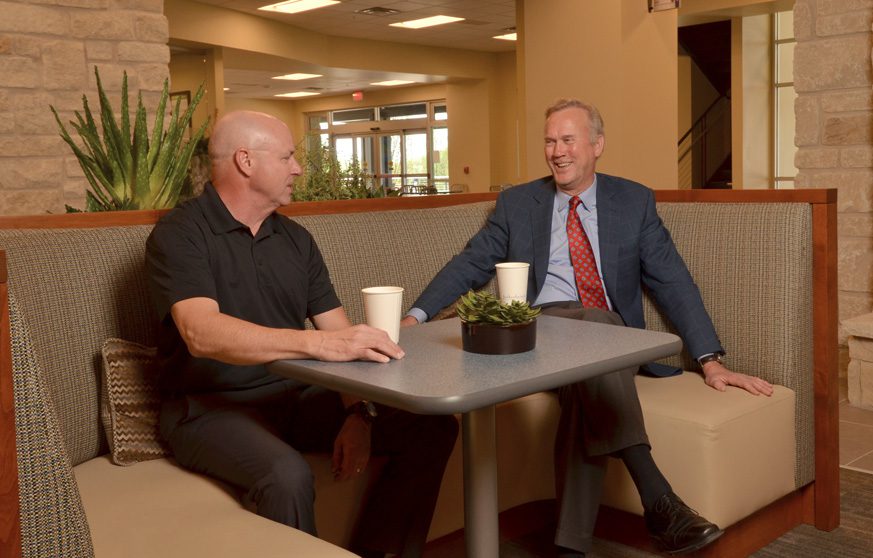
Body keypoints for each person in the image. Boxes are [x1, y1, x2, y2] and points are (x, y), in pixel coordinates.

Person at [401, 99, 774, 557]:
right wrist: (415, 316)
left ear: (596, 145)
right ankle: (658, 497)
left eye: (568, 140)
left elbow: (671, 279)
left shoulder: (633, 201)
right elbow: (473, 263)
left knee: (593, 362)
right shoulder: (519, 203)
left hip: (606, 342)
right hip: (540, 332)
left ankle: (570, 547)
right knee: (598, 334)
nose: (557, 151)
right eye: (550, 141)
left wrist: (710, 361)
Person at [146, 110, 458, 558]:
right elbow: (201, 332)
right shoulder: (180, 234)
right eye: (288, 157)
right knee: (287, 476)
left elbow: (341, 334)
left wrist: (360, 415)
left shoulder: (296, 240)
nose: (297, 168)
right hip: (208, 409)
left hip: (293, 399)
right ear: (246, 161)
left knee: (431, 429)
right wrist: (315, 343)